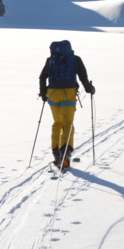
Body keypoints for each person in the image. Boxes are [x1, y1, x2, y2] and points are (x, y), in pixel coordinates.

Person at [39, 40, 95, 169]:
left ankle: (56, 152)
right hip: (68, 94)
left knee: (57, 122)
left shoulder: (50, 60)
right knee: (67, 122)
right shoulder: (75, 59)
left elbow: (42, 77)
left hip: (53, 94)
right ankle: (65, 151)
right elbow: (83, 76)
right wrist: (89, 88)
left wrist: (43, 94)